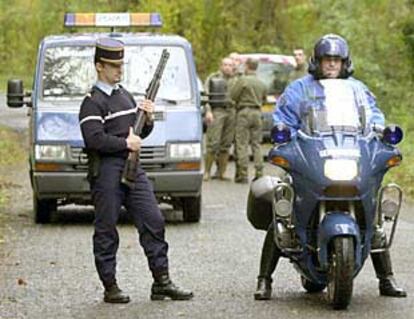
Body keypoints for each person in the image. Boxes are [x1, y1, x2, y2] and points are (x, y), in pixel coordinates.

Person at [254, 34, 407, 300]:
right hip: (311, 156)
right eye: (327, 60)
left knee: (373, 216)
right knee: (283, 214)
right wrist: (284, 137)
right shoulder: (298, 89)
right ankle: (264, 279)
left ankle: (386, 279)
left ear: (345, 62)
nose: (332, 65)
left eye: (336, 60)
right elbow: (283, 119)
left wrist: (381, 135)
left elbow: (374, 118)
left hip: (349, 154)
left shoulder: (358, 90)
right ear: (317, 61)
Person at [79, 38, 193, 303]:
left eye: (121, 65)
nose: (119, 70)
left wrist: (149, 119)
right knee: (107, 229)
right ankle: (110, 287)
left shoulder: (124, 95)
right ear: (99, 66)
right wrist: (124, 143)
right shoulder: (91, 102)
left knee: (154, 220)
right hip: (106, 170)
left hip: (133, 165)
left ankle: (161, 282)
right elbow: (93, 139)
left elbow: (138, 132)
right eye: (113, 66)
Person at [230, 58, 267, 184]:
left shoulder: (243, 80)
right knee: (256, 144)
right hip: (257, 113)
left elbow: (233, 96)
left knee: (242, 144)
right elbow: (264, 98)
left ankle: (243, 174)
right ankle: (259, 172)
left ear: (247, 66)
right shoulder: (261, 83)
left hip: (244, 112)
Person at [203, 57, 236, 181]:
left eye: (230, 65)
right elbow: (206, 95)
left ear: (233, 67)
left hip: (231, 112)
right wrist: (208, 111)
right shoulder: (213, 78)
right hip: (217, 111)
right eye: (225, 64)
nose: (227, 67)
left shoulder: (237, 79)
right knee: (213, 142)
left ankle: (221, 173)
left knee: (226, 144)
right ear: (221, 66)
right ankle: (207, 171)